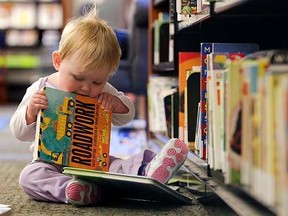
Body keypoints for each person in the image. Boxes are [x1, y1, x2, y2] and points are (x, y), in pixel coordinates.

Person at [9, 6, 188, 206]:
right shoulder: (40, 89)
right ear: (58, 61)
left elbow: (127, 114)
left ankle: (147, 170)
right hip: (52, 164)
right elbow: (19, 133)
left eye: (97, 82)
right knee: (30, 176)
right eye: (78, 77)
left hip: (94, 163)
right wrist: (30, 112)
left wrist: (116, 104)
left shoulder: (102, 91)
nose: (87, 88)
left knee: (118, 165)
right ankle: (73, 189)